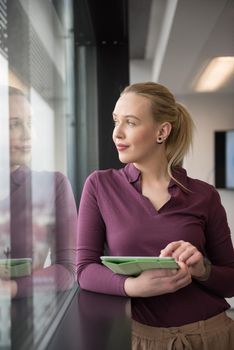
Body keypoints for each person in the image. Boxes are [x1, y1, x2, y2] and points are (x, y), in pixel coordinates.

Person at [77, 82, 234, 349]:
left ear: (162, 131)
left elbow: (230, 282)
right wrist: (132, 287)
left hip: (213, 334)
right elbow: (84, 270)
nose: (117, 133)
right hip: (139, 339)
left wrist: (201, 269)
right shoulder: (100, 186)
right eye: (116, 121)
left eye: (131, 122)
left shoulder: (204, 195)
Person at [0, 86, 77, 298]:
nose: (27, 134)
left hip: (29, 322)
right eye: (14, 125)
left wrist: (11, 289)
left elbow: (69, 270)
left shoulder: (53, 184)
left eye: (30, 123)